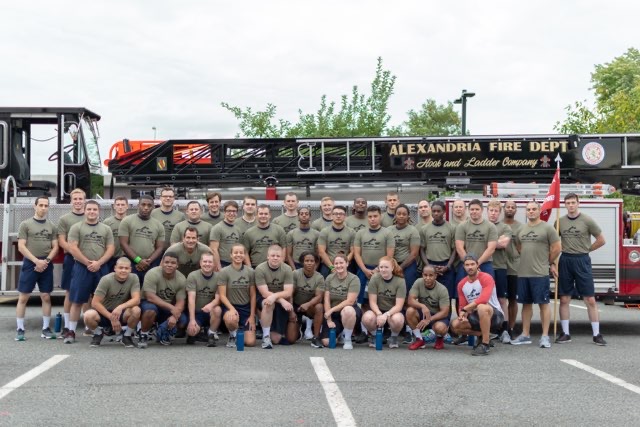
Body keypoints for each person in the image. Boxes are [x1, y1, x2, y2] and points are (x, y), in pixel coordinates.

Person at [557, 193, 607, 345]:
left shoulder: (587, 220)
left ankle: (597, 334)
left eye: (573, 202)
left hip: (582, 260)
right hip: (565, 259)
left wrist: (587, 250)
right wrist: (552, 262)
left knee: (589, 299)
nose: (571, 205)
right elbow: (553, 242)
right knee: (564, 298)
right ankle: (565, 333)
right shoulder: (559, 222)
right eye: (568, 203)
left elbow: (601, 240)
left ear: (578, 203)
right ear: (565, 205)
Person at [511, 201, 561, 348]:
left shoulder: (547, 228)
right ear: (526, 212)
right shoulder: (521, 229)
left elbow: (557, 248)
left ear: (539, 211)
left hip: (540, 274)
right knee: (525, 304)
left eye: (534, 209)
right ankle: (525, 334)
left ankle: (545, 336)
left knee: (543, 304)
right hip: (523, 273)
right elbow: (519, 247)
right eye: (528, 209)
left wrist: (548, 262)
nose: (531, 211)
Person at [64, 200, 115, 344]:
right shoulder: (76, 227)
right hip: (81, 267)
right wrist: (87, 263)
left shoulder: (106, 229)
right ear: (85, 211)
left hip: (101, 267)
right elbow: (73, 248)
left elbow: (110, 249)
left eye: (94, 209)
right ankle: (71, 331)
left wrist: (99, 263)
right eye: (89, 209)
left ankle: (101, 330)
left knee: (102, 300)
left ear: (99, 211)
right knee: (77, 300)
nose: (92, 212)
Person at [15, 196, 59, 341]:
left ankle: (45, 329)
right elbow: (21, 246)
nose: (43, 208)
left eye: (46, 205)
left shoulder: (51, 226)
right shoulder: (25, 224)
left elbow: (55, 247)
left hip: (46, 264)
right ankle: (20, 329)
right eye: (41, 205)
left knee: (46, 296)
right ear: (35, 206)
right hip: (30, 263)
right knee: (23, 297)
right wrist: (35, 261)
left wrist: (45, 261)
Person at [450, 254, 505, 356]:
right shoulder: (461, 284)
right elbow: (462, 306)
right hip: (475, 316)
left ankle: (485, 344)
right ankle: (485, 335)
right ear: (464, 267)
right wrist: (463, 315)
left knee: (482, 307)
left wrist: (466, 309)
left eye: (472, 264)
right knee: (455, 325)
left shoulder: (486, 277)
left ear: (477, 265)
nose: (470, 267)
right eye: (467, 265)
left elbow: (483, 299)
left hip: (494, 316)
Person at [84, 257, 141, 348]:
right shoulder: (106, 279)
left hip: (121, 312)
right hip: (105, 312)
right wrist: (112, 318)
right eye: (120, 268)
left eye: (126, 268)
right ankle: (98, 334)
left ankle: (127, 336)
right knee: (88, 315)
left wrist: (120, 307)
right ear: (115, 268)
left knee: (136, 310)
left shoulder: (134, 278)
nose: (123, 270)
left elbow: (136, 299)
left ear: (130, 269)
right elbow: (95, 303)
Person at [139, 251, 188, 348]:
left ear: (177, 265)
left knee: (183, 321)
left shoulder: (181, 279)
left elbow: (180, 301)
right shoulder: (152, 273)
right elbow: (150, 296)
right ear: (162, 263)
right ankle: (143, 334)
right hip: (150, 303)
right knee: (150, 311)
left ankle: (163, 331)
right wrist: (172, 308)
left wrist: (175, 316)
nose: (169, 265)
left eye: (173, 263)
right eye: (167, 262)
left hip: (166, 306)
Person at [57, 188, 86, 336]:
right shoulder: (65, 219)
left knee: (89, 292)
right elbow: (61, 240)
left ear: (84, 201)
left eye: (80, 199)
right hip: (71, 260)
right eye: (75, 199)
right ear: (71, 202)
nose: (78, 202)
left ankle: (89, 326)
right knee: (69, 291)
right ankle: (67, 326)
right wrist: (75, 253)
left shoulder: (90, 216)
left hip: (87, 261)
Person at [255, 245, 297, 348]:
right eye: (272, 255)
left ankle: (272, 333)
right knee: (268, 303)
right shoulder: (260, 269)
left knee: (276, 339)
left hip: (280, 298)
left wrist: (277, 297)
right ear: (267, 256)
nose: (275, 258)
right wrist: (281, 300)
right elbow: (264, 293)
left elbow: (288, 292)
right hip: (264, 298)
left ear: (282, 257)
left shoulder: (287, 269)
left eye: (278, 256)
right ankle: (265, 337)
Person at [119, 195, 165, 284]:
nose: (146, 208)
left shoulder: (159, 225)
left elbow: (160, 247)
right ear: (138, 205)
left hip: (150, 264)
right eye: (143, 205)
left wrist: (148, 261)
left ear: (153, 207)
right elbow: (123, 243)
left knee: (147, 291)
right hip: (130, 262)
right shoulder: (127, 221)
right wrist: (138, 260)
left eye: (149, 205)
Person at [353, 206, 395, 305]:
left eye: (375, 216)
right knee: (360, 297)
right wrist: (364, 270)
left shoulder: (388, 233)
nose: (372, 219)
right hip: (363, 268)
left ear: (380, 216)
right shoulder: (360, 233)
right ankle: (360, 314)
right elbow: (356, 254)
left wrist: (378, 269)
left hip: (382, 269)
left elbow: (390, 255)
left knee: (380, 295)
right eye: (370, 216)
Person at [362, 256, 406, 348]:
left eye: (386, 267)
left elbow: (399, 306)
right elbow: (372, 302)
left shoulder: (400, 281)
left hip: (392, 312)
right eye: (381, 267)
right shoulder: (374, 278)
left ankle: (394, 337)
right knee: (367, 318)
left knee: (398, 319)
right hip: (378, 310)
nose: (383, 270)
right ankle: (375, 336)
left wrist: (386, 315)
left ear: (392, 268)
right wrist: (378, 314)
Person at [218, 244, 257, 348]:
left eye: (241, 253)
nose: (238, 255)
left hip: (246, 308)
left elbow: (253, 295)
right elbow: (222, 295)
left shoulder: (250, 271)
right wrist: (231, 309)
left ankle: (240, 329)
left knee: (250, 342)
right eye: (235, 253)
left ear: (244, 255)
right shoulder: (224, 272)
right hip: (230, 305)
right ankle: (232, 335)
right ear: (231, 255)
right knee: (231, 319)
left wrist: (252, 316)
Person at [321, 253, 361, 350]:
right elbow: (326, 299)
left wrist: (331, 310)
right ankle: (339, 333)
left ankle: (347, 338)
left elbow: (350, 301)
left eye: (341, 263)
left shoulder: (354, 279)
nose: (339, 266)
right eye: (336, 263)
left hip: (349, 312)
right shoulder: (330, 278)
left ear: (347, 263)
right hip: (334, 314)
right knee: (327, 342)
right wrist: (329, 319)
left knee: (348, 310)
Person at [406, 265, 451, 350]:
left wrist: (429, 319)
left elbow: (445, 312)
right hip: (424, 313)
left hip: (437, 315)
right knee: (410, 311)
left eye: (431, 275)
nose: (427, 278)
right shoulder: (418, 282)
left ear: (435, 276)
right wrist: (422, 306)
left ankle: (439, 338)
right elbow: (410, 300)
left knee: (440, 328)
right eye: (425, 275)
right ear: (422, 275)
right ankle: (419, 339)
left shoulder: (442, 289)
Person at [486, 200, 513, 344]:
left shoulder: (505, 227)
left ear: (499, 213)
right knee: (486, 300)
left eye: (496, 211)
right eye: (491, 210)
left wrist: (489, 242)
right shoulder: (482, 225)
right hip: (485, 266)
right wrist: (495, 241)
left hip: (500, 266)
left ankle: (504, 329)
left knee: (502, 299)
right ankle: (488, 329)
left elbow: (503, 244)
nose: (493, 213)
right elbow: (496, 242)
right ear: (487, 211)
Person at [420, 200, 457, 300]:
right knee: (429, 296)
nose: (436, 213)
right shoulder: (424, 229)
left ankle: (446, 316)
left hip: (446, 265)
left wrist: (448, 266)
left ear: (444, 211)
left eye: (438, 211)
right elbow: (422, 249)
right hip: (430, 264)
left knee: (447, 296)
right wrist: (428, 265)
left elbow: (455, 250)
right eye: (434, 211)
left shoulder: (452, 228)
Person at [454, 199, 498, 283]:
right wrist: (469, 264)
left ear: (482, 210)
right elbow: (459, 247)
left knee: (487, 292)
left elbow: (491, 249)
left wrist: (477, 263)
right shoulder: (462, 226)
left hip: (485, 264)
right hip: (466, 265)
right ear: (468, 210)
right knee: (463, 293)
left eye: (477, 209)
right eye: (472, 209)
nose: (474, 211)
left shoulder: (491, 227)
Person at [186, 252, 222, 347]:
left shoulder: (219, 277)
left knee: (218, 309)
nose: (207, 264)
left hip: (210, 311)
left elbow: (219, 298)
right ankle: (197, 332)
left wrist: (211, 305)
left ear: (214, 264)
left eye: (210, 262)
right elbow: (191, 299)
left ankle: (211, 334)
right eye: (205, 261)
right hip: (197, 312)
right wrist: (192, 320)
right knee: (191, 332)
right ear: (200, 263)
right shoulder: (193, 276)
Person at [292, 252, 325, 348]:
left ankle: (316, 338)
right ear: (302, 262)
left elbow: (319, 297)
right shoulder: (295, 274)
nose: (309, 263)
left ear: (316, 263)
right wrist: (291, 312)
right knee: (291, 339)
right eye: (307, 261)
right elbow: (290, 294)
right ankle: (299, 330)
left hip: (310, 307)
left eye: (312, 261)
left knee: (319, 307)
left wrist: (308, 304)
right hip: (296, 305)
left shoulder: (319, 277)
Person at [390, 204, 421, 294]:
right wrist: (393, 266)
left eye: (404, 214)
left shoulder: (413, 231)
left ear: (408, 216)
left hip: (408, 266)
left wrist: (400, 267)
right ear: (395, 215)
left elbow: (414, 254)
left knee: (407, 291)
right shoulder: (388, 230)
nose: (401, 216)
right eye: (399, 213)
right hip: (392, 265)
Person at [317, 205, 355, 277]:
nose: (338, 216)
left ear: (345, 216)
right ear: (332, 215)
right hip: (328, 265)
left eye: (341, 214)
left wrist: (343, 264)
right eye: (336, 214)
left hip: (346, 265)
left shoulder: (351, 232)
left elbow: (353, 251)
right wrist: (332, 267)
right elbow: (321, 252)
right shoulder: (324, 231)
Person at [503, 200, 522, 338]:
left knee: (512, 299)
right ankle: (498, 326)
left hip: (514, 267)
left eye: (512, 207)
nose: (510, 209)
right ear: (503, 209)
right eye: (507, 207)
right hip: (499, 265)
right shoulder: (496, 225)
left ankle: (511, 327)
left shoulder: (521, 227)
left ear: (516, 210)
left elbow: (523, 247)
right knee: (499, 299)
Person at [209, 200, 243, 271]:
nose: (231, 213)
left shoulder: (238, 229)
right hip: (222, 264)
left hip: (235, 264)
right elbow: (213, 249)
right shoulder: (217, 228)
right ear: (224, 212)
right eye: (229, 211)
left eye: (234, 211)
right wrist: (218, 266)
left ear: (237, 213)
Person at [103, 196, 129, 272]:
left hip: (127, 257)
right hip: (111, 258)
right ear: (114, 206)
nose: (120, 207)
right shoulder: (107, 222)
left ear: (127, 206)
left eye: (123, 205)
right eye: (118, 205)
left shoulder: (131, 221)